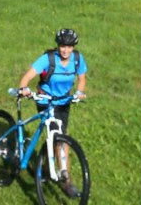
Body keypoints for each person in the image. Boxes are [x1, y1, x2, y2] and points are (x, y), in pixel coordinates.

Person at [17, 28, 88, 198]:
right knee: (59, 136)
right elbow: (26, 77)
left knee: (58, 137)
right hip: (45, 100)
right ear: (57, 46)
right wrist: (24, 88)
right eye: (62, 46)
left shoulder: (77, 59)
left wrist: (79, 92)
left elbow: (82, 79)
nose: (66, 50)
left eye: (69, 47)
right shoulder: (47, 59)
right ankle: (66, 181)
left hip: (63, 102)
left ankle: (49, 166)